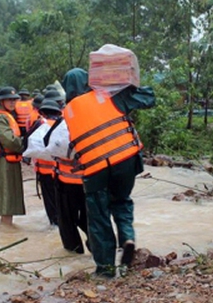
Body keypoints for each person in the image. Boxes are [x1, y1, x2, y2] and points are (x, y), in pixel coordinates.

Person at [62, 70, 155, 277]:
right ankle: (127, 237)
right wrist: (126, 86)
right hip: (125, 160)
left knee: (99, 217)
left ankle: (105, 269)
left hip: (95, 169)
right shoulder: (109, 95)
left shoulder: (67, 111)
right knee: (121, 200)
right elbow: (149, 98)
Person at [49, 67, 91, 254]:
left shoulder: (66, 111)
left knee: (67, 219)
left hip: (66, 179)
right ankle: (99, 248)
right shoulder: (96, 107)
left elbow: (53, 144)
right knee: (92, 216)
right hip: (92, 178)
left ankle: (74, 254)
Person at [0, 86, 25, 225]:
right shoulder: (0, 117)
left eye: (14, 100)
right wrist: (24, 145)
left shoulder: (8, 116)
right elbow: (9, 140)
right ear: (2, 101)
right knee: (6, 199)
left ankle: (6, 229)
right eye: (9, 100)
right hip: (3, 162)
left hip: (8, 161)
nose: (13, 103)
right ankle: (6, 228)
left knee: (9, 199)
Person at [31, 98, 61, 227]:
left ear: (42, 112)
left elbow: (28, 142)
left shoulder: (39, 124)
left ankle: (53, 224)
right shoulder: (63, 124)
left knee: (50, 202)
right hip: (60, 171)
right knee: (61, 201)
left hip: (44, 171)